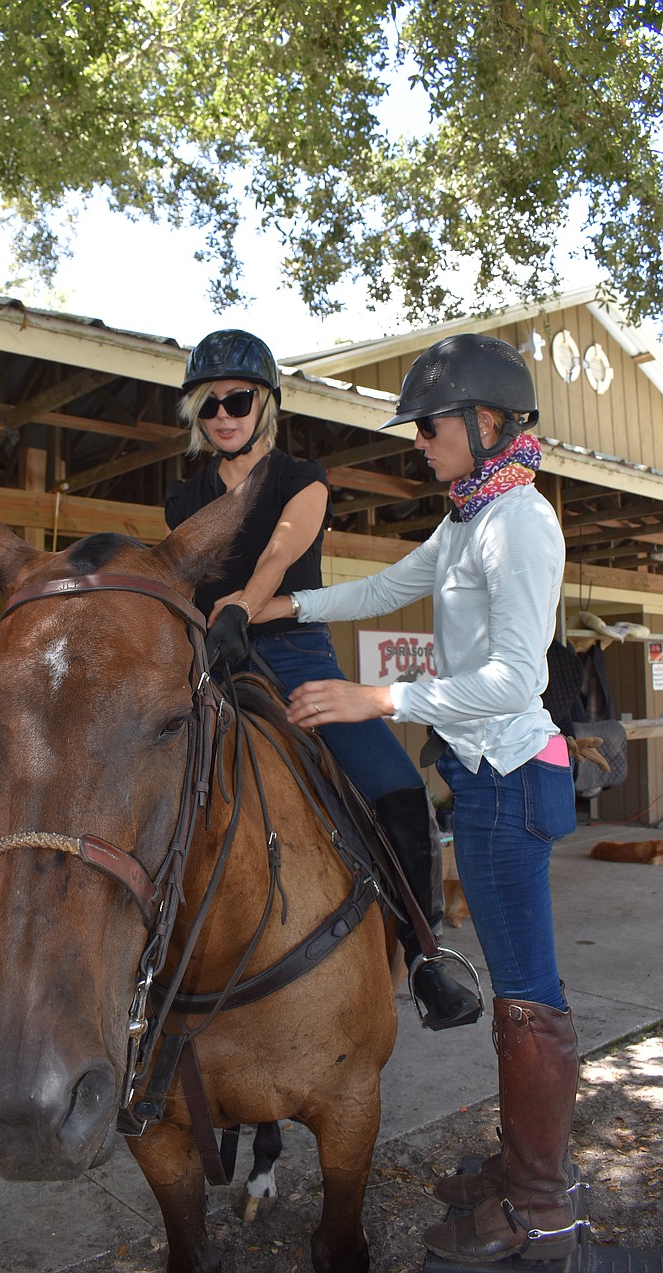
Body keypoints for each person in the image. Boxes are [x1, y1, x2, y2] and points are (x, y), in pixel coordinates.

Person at [257, 332, 584, 1262]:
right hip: (481, 780)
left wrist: (379, 699)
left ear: (485, 423)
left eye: (430, 424)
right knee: (523, 995)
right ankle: (525, 1161)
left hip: (511, 775)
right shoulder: (469, 516)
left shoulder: (520, 521)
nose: (418, 438)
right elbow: (398, 583)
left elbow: (517, 677)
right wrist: (290, 608)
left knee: (528, 997)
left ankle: (540, 1204)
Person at [165, 328, 482, 1032]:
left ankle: (425, 953)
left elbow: (279, 553)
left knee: (396, 786)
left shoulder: (300, 478)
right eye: (209, 403)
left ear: (265, 404)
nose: (223, 413)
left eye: (238, 399)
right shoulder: (182, 496)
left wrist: (241, 609)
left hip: (297, 654)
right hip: (212, 658)